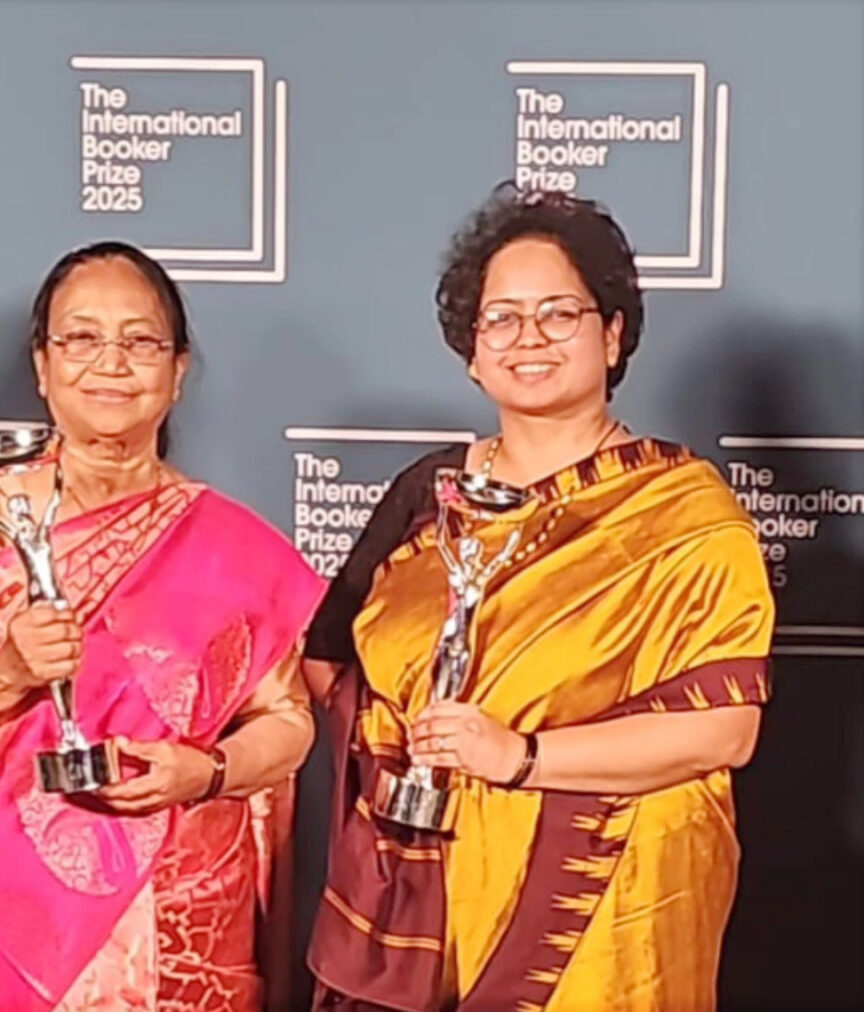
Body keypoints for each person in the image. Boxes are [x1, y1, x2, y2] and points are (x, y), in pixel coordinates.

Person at [303, 187, 775, 1011]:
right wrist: (403, 749)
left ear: (613, 334)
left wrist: (518, 756)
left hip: (602, 908)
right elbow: (329, 664)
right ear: (472, 351)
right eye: (501, 318)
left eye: (559, 314)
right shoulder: (427, 493)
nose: (529, 338)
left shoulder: (685, 514)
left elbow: (725, 730)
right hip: (419, 890)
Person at [0, 241, 324, 1012]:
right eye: (81, 338)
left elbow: (288, 723)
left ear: (177, 371)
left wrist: (205, 772)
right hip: (15, 914)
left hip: (186, 915)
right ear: (43, 367)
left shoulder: (235, 547)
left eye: (140, 341)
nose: (111, 363)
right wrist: (6, 673)